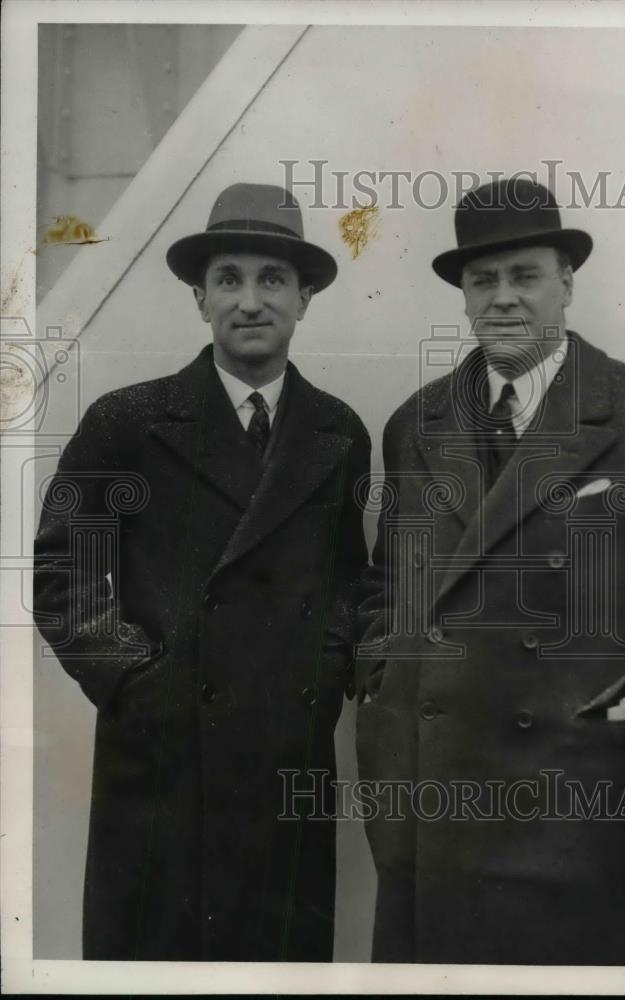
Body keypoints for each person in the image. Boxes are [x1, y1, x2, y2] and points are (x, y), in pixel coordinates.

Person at [355, 177, 625, 965]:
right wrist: (384, 687)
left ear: (565, 281)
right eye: (481, 281)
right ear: (462, 294)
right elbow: (388, 592)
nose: (502, 300)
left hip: (581, 806)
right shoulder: (415, 425)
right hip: (435, 802)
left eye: (523, 276)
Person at [34, 183, 371, 961]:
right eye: (229, 279)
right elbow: (62, 569)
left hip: (286, 762)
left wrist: (323, 671)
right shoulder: (128, 421)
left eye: (272, 279)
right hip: (160, 766)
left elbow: (349, 580)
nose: (250, 301)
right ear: (199, 297)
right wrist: (134, 682)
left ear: (304, 296)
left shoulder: (337, 431)